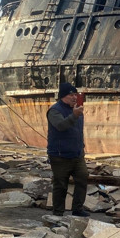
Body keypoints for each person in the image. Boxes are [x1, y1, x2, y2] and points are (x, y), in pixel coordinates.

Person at [46, 82, 89, 217]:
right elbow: (60, 126)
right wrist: (74, 115)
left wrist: (81, 148)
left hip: (76, 154)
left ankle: (78, 209)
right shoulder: (55, 111)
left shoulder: (77, 110)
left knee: (82, 178)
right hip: (60, 155)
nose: (74, 97)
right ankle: (58, 213)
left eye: (75, 94)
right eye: (71, 95)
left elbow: (78, 132)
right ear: (63, 96)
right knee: (61, 184)